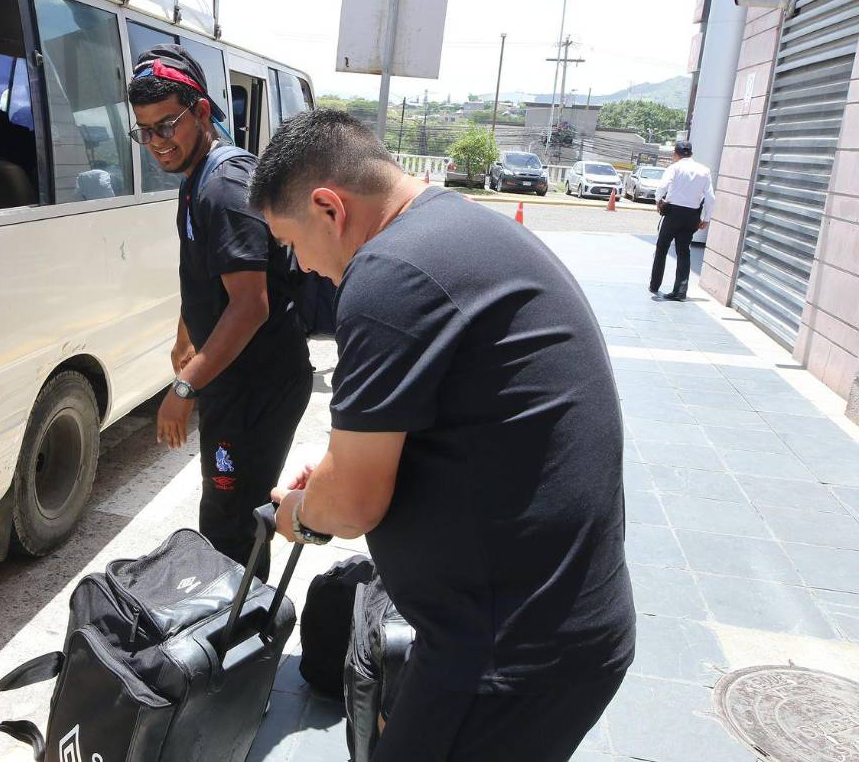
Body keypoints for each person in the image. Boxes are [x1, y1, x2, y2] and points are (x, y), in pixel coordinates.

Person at [253, 110, 635, 761]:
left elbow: (352, 504)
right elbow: (409, 418)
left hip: (506, 650)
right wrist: (333, 467)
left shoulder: (387, 276)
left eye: (290, 243)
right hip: (549, 624)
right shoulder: (454, 230)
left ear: (328, 209)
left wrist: (301, 513)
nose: (301, 266)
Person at [127, 44, 312, 581]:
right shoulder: (197, 175)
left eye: (168, 126)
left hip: (258, 387)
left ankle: (239, 643)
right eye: (146, 131)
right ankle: (226, 636)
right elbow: (207, 272)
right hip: (234, 384)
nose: (157, 143)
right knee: (224, 514)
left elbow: (251, 306)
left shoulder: (225, 186)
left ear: (203, 113)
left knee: (234, 524)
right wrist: (185, 334)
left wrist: (185, 386)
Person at [651, 140, 715, 301]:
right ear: (691, 153)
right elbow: (710, 198)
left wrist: (659, 200)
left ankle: (655, 285)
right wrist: (706, 219)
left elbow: (662, 187)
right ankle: (680, 292)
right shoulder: (704, 170)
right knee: (684, 251)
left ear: (675, 154)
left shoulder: (674, 168)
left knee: (662, 248)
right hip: (692, 215)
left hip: (673, 213)